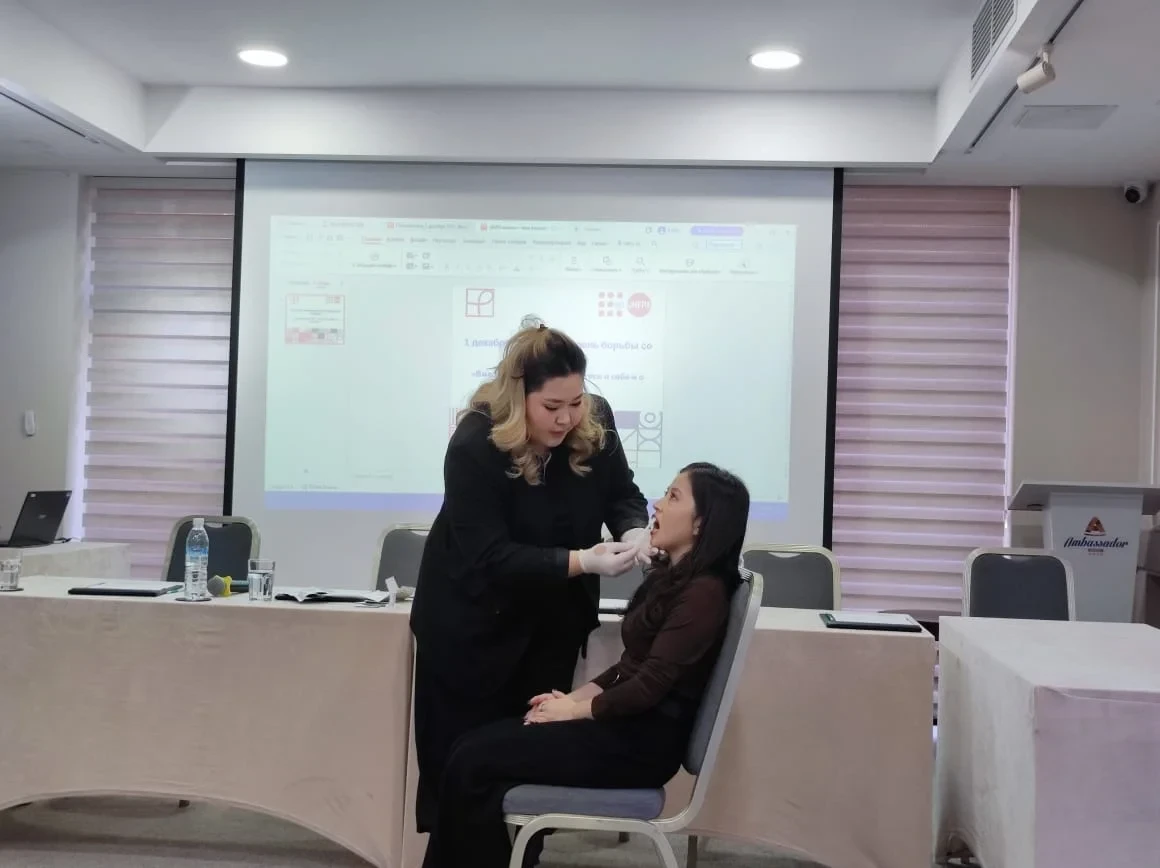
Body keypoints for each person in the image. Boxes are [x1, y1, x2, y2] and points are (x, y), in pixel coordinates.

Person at [420, 462, 751, 868]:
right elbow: (628, 667)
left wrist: (573, 712)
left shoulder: (704, 595)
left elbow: (647, 686)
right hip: (624, 729)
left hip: (640, 747)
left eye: (673, 497)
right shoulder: (674, 579)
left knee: (472, 760)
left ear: (700, 523)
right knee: (468, 750)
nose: (657, 504)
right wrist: (571, 700)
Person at [409, 325, 654, 837]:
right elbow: (489, 556)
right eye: (551, 406)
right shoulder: (475, 443)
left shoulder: (594, 420)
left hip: (550, 626)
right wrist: (583, 562)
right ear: (519, 396)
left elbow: (621, 493)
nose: (567, 418)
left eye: (576, 402)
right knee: (463, 776)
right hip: (471, 631)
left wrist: (634, 530)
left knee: (531, 766)